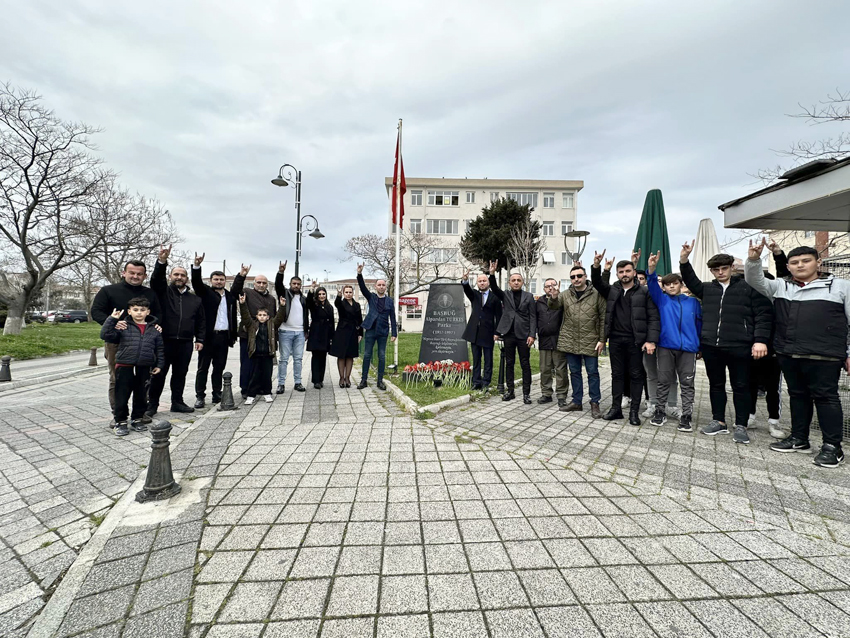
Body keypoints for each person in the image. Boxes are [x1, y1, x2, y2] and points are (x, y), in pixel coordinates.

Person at [746, 240, 850, 468]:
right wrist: (754, 260)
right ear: (789, 266)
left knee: (826, 398)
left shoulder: (841, 286)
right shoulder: (782, 286)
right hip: (789, 353)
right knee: (797, 396)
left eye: (806, 261)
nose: (800, 265)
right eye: (794, 262)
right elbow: (754, 280)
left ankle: (833, 447)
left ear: (818, 262)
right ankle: (799, 438)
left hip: (826, 355)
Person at [680, 241, 773, 444]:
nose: (720, 272)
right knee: (716, 385)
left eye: (724, 268)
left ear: (732, 267)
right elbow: (690, 279)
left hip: (740, 345)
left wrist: (760, 341)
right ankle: (718, 421)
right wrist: (684, 259)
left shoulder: (749, 287)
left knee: (742, 386)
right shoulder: (707, 289)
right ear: (712, 271)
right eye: (716, 270)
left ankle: (741, 425)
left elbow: (764, 315)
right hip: (712, 346)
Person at [591, 251, 659, 425]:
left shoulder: (644, 292)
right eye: (621, 272)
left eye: (627, 271)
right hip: (615, 339)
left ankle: (634, 412)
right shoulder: (613, 290)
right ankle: (616, 409)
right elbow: (598, 283)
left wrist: (651, 340)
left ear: (634, 272)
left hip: (636, 341)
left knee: (636, 375)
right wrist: (599, 267)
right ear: (617, 274)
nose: (624, 274)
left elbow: (653, 317)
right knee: (617, 375)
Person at [91, 259, 162, 417]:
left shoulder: (150, 293)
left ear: (144, 276)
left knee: (143, 380)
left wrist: (155, 326)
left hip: (144, 343)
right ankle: (118, 414)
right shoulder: (108, 291)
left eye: (139, 274)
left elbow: (158, 314)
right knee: (117, 379)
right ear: (124, 273)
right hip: (117, 343)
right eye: (132, 273)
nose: (135, 276)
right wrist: (113, 323)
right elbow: (96, 311)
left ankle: (139, 413)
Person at [646, 251, 702, 432]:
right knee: (663, 380)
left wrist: (699, 345)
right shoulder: (662, 300)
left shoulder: (693, 303)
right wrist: (652, 269)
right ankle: (660, 411)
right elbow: (652, 284)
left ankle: (686, 416)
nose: (671, 286)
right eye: (667, 284)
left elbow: (699, 324)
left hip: (688, 348)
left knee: (687, 382)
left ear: (681, 284)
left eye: (674, 283)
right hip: (666, 347)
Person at [147, 245, 206, 417]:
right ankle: (152, 404)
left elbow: (201, 321)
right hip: (164, 341)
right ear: (170, 276)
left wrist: (200, 339)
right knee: (158, 374)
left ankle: (177, 402)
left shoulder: (195, 299)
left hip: (185, 342)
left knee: (180, 374)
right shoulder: (163, 292)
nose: (179, 277)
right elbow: (156, 280)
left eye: (182, 275)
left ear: (187, 278)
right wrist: (162, 261)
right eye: (176, 274)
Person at [548, 264, 606, 418]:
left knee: (592, 373)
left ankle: (595, 403)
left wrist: (602, 339)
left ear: (585, 277)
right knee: (574, 372)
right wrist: (553, 297)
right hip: (570, 339)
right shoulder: (565, 294)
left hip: (591, 339)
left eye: (579, 276)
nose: (576, 279)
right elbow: (553, 307)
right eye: (573, 277)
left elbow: (603, 318)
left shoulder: (596, 294)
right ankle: (577, 402)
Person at [99, 298, 164, 437]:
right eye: (135, 310)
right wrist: (112, 320)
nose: (139, 313)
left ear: (148, 311)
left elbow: (159, 348)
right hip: (125, 365)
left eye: (142, 310)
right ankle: (120, 421)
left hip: (144, 366)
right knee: (121, 395)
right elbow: (105, 335)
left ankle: (137, 419)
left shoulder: (154, 329)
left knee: (141, 395)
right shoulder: (123, 326)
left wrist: (159, 364)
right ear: (129, 311)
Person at [191, 252, 238, 408]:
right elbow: (196, 283)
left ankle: (217, 394)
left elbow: (237, 288)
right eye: (216, 279)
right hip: (208, 337)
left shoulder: (230, 296)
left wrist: (242, 275)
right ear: (211, 281)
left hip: (223, 337)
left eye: (221, 279)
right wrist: (197, 266)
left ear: (225, 281)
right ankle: (200, 396)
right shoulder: (206, 293)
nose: (219, 282)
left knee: (219, 367)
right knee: (203, 368)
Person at [488, 260, 537, 404]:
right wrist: (492, 273)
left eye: (518, 280)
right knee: (509, 363)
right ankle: (510, 391)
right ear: (509, 283)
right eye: (513, 280)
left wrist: (532, 335)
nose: (516, 282)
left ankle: (526, 394)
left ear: (522, 282)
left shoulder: (529, 296)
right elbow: (495, 288)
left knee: (525, 364)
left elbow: (533, 317)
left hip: (524, 335)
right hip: (509, 334)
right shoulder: (505, 295)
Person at [231, 265, 277, 398]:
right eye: (259, 282)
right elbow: (234, 291)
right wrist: (241, 275)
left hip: (265, 337)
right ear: (254, 283)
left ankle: (262, 388)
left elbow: (273, 318)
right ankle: (246, 388)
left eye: (264, 283)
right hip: (248, 334)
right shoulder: (246, 292)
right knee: (247, 363)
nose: (261, 285)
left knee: (263, 365)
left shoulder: (271, 299)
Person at [238, 293, 287, 405]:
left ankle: (267, 393)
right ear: (256, 316)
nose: (262, 317)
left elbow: (279, 317)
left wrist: (282, 306)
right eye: (260, 315)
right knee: (254, 375)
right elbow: (245, 316)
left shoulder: (272, 324)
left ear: (268, 317)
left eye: (264, 315)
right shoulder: (252, 325)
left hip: (267, 354)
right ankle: (251, 395)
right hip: (255, 354)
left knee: (267, 375)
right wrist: (242, 304)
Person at [357, 263, 397, 390]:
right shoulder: (372, 297)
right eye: (379, 285)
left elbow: (393, 317)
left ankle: (380, 381)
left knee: (382, 355)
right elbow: (362, 288)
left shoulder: (390, 301)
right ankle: (364, 380)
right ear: (375, 287)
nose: (381, 286)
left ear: (386, 287)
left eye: (383, 285)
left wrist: (394, 333)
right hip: (370, 330)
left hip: (383, 332)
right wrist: (359, 274)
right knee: (367, 355)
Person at [461, 268, 502, 392]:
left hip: (488, 333)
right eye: (480, 281)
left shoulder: (495, 298)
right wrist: (465, 281)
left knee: (488, 359)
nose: (482, 283)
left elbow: (499, 316)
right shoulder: (475, 295)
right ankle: (476, 381)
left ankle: (486, 382)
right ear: (477, 283)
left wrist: (497, 332)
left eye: (484, 281)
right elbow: (466, 289)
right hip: (475, 332)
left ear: (488, 282)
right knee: (476, 358)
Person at [274, 261, 310, 394]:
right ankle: (281, 384)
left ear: (301, 286)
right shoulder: (284, 294)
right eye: (294, 284)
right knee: (283, 359)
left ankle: (298, 382)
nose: (296, 286)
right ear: (290, 285)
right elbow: (278, 285)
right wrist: (281, 272)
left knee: (298, 359)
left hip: (300, 332)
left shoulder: (303, 299)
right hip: (285, 331)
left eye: (298, 284)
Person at [536, 278, 568, 406]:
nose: (551, 288)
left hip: (559, 339)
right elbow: (535, 318)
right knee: (545, 369)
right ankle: (546, 393)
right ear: (544, 289)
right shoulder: (539, 302)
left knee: (560, 369)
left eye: (553, 285)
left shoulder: (563, 301)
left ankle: (561, 395)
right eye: (548, 286)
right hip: (544, 340)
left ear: (558, 287)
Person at [329, 284, 363, 388]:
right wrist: (338, 296)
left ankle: (347, 377)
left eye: (350, 292)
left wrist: (360, 333)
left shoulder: (357, 305)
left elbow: (360, 319)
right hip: (342, 332)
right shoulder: (341, 303)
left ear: (353, 293)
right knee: (341, 355)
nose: (348, 294)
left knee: (350, 355)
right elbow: (336, 303)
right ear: (344, 293)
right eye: (346, 292)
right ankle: (341, 378)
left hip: (353, 332)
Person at [305, 281, 335, 388]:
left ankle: (321, 379)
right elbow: (308, 301)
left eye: (323, 294)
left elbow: (332, 322)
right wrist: (312, 289)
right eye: (320, 294)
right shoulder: (314, 305)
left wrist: (332, 337)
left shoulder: (329, 307)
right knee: (316, 358)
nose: (322, 296)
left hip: (326, 334)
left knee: (323, 358)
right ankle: (316, 380)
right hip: (316, 333)